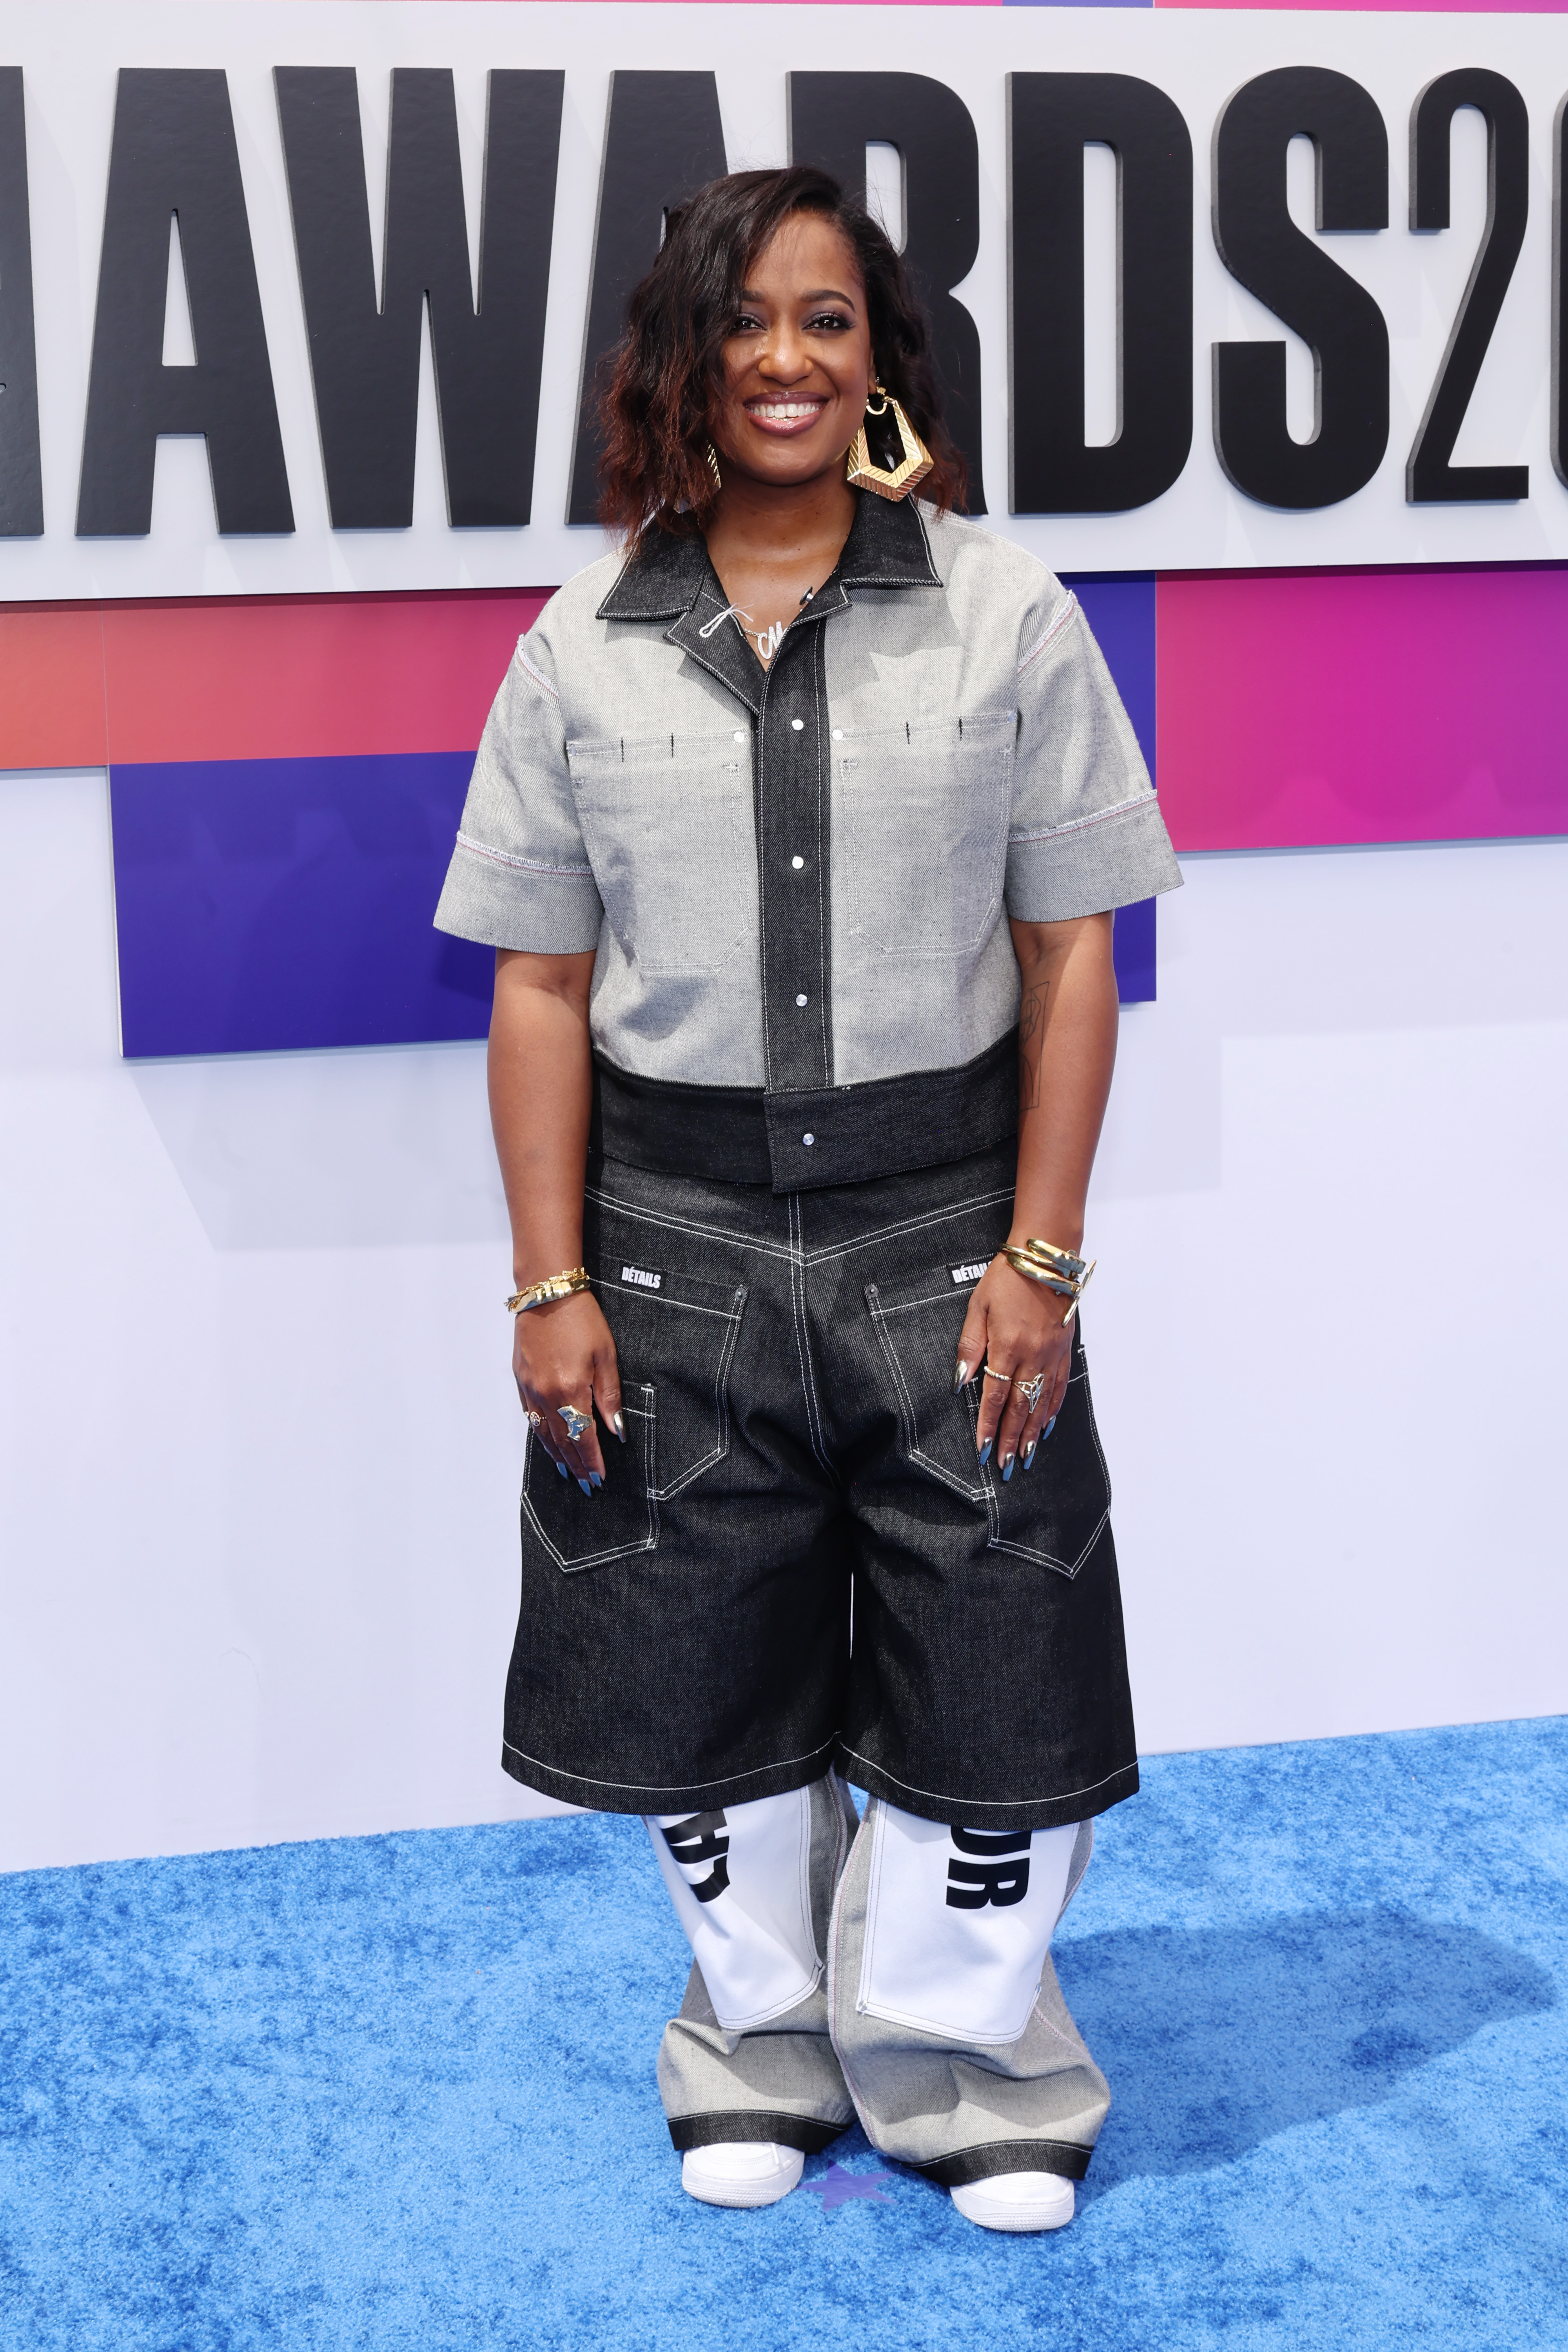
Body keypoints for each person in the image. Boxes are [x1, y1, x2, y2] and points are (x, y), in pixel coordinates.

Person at [434, 165, 1181, 2234]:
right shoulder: (577, 644)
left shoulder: (1002, 606)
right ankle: (760, 2034)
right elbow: (537, 987)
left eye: (829, 317)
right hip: (663, 1242)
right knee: (695, 1668)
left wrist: (1044, 1257)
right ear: (681, 357)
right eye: (746, 318)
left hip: (948, 1227)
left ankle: (966, 2050)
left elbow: (1069, 960)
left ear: (881, 359)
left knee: (999, 1656)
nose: (786, 355)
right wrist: (545, 1282)